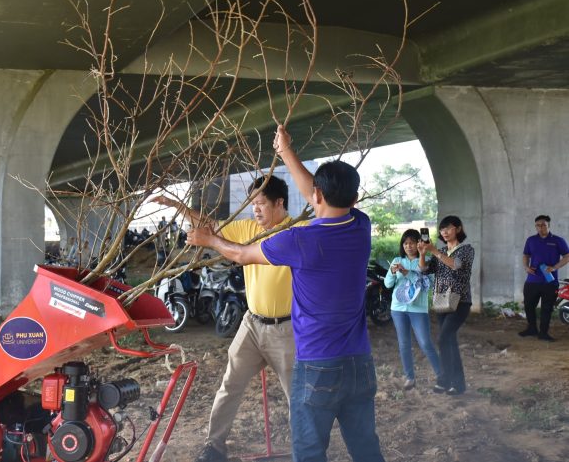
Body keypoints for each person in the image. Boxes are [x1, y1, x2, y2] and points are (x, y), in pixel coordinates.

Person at [187, 124, 385, 462]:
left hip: (318, 364)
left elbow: (240, 254)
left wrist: (210, 241)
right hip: (359, 364)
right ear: (354, 200)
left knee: (308, 451)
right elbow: (318, 195)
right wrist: (286, 152)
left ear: (317, 196)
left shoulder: (300, 239)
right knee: (366, 448)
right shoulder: (359, 226)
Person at [151, 176, 305, 462]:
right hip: (251, 324)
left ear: (279, 203)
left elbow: (229, 248)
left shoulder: (297, 231)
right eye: (252, 204)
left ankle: (305, 450)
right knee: (229, 385)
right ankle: (214, 447)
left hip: (285, 329)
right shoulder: (248, 228)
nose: (255, 210)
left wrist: (209, 239)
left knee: (296, 395)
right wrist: (176, 205)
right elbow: (210, 226)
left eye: (260, 204)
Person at [417, 215, 475, 396]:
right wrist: (422, 253)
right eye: (442, 230)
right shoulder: (440, 250)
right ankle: (457, 385)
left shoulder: (466, 249)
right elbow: (424, 270)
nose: (445, 232)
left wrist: (434, 251)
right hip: (442, 300)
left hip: (460, 301)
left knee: (443, 339)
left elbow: (455, 265)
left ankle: (444, 380)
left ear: (458, 229)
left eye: (448, 228)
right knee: (449, 341)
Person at [385, 229, 441, 391]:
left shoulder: (428, 261)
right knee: (404, 344)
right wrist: (392, 272)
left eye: (412, 242)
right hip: (398, 308)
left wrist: (407, 273)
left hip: (418, 309)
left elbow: (427, 285)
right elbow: (388, 285)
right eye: (405, 243)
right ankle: (409, 378)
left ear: (419, 243)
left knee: (425, 342)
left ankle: (441, 375)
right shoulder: (397, 260)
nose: (408, 246)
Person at [520, 214, 569, 341]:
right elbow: (526, 255)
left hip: (550, 281)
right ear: (535, 226)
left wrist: (555, 267)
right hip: (532, 280)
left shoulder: (558, 240)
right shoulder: (531, 240)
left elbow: (567, 256)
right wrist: (526, 267)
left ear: (548, 225)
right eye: (538, 225)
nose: (540, 227)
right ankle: (532, 329)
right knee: (529, 305)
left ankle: (543, 333)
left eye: (543, 225)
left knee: (547, 308)